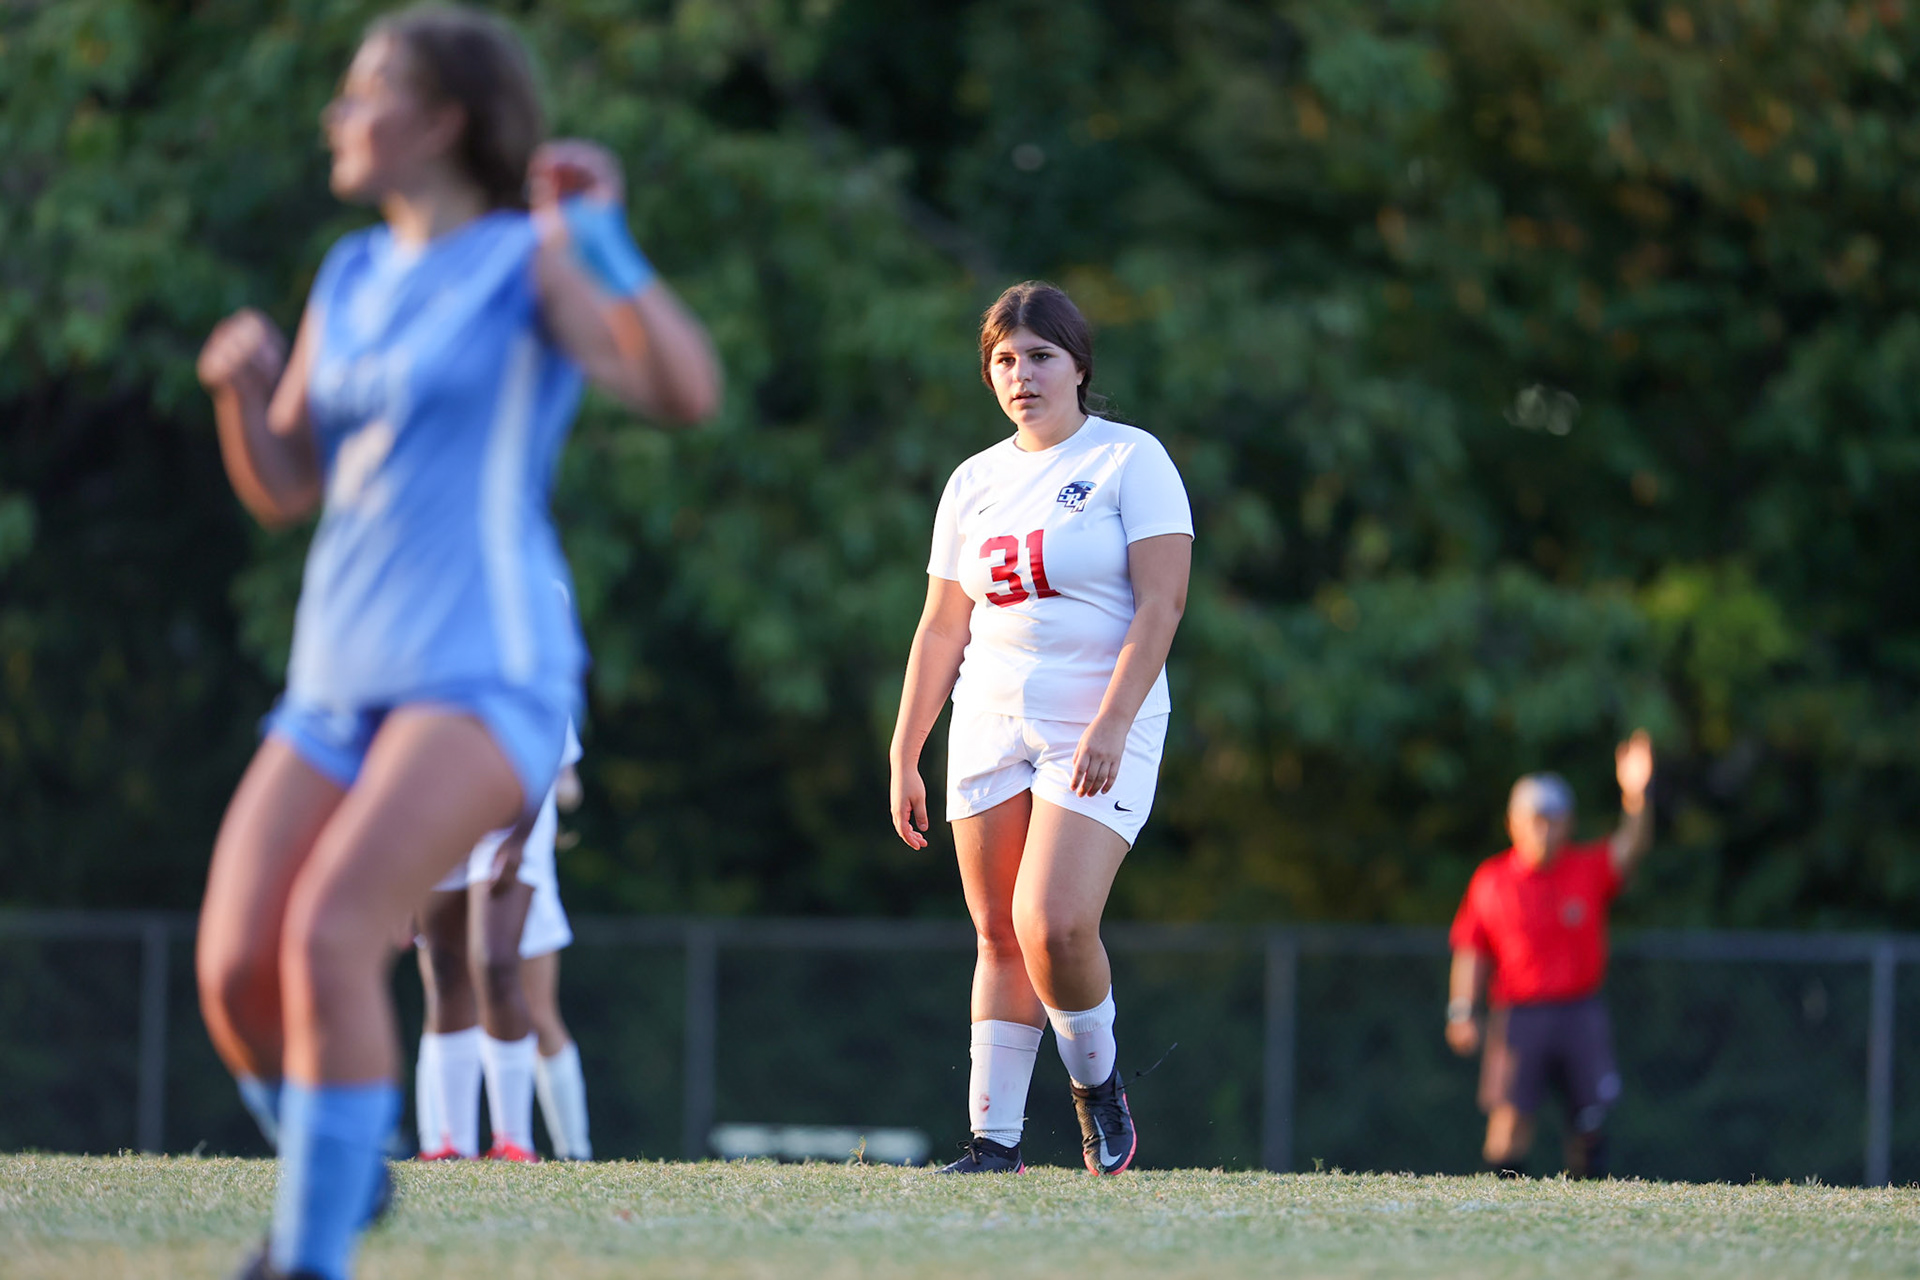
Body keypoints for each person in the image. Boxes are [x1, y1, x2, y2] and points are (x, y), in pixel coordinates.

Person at [191, 7, 719, 1277]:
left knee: (332, 932)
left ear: (442, 121)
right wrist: (234, 392)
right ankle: (345, 1161)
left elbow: (682, 392)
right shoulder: (351, 273)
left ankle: (305, 1253)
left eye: (366, 95)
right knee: (234, 972)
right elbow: (286, 482)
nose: (341, 117)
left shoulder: (527, 261)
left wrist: (602, 238)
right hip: (336, 674)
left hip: (485, 671)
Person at [888, 282, 1193, 1175]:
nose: (1022, 374)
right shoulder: (973, 480)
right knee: (996, 933)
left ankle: (1098, 1091)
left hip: (1099, 717)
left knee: (1052, 921)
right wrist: (906, 749)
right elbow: (943, 625)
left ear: (1079, 365)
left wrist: (1112, 720)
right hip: (990, 714)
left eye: (1040, 356)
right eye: (1005, 360)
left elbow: (1163, 602)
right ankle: (994, 1145)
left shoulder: (1131, 460)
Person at [1445, 730, 1656, 1179]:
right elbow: (1471, 949)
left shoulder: (1586, 869)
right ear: (1513, 824)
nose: (1545, 828)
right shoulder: (1492, 880)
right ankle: (1497, 1214)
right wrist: (1462, 1009)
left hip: (1580, 1010)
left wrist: (1636, 796)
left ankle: (1586, 1216)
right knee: (1509, 1119)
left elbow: (1631, 846)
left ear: (1569, 823)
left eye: (1554, 818)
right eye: (1536, 818)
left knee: (1590, 1119)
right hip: (1519, 1015)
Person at [414, 726, 590, 1162]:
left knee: (505, 975)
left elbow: (561, 771)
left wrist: (534, 816)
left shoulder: (526, 661)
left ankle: (550, 1147)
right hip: (439, 814)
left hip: (511, 819)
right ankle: (446, 1144)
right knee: (444, 975)